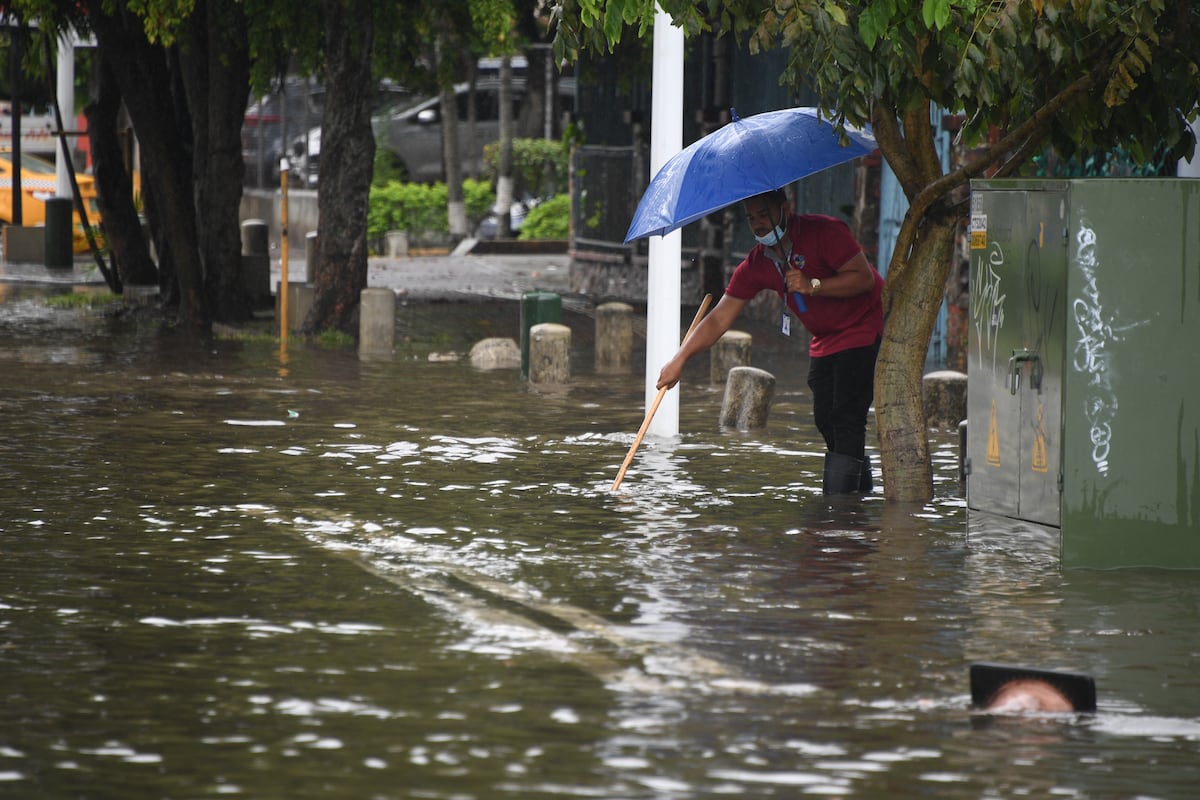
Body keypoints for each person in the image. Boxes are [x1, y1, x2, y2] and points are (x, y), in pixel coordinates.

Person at [655, 188, 884, 494]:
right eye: (751, 219)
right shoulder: (758, 263)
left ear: (785, 209)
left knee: (845, 415)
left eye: (763, 214)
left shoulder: (825, 230)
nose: (758, 224)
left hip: (865, 325)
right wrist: (679, 360)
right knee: (825, 418)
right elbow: (720, 318)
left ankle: (841, 511)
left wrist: (812, 285)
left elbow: (863, 278)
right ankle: (855, 498)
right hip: (826, 338)